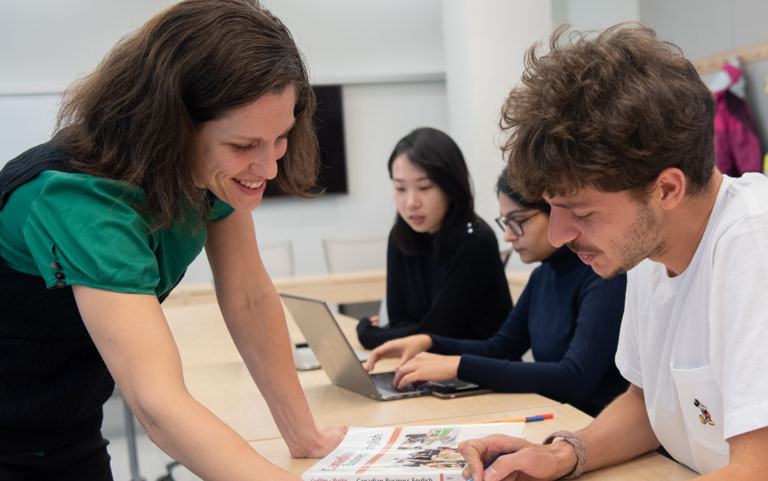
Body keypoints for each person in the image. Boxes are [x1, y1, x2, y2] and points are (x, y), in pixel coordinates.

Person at [0, 1, 344, 479]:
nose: (269, 168)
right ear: (170, 127)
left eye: (280, 137)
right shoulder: (80, 203)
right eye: (243, 146)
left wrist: (302, 435)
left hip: (66, 429)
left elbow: (248, 296)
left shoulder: (201, 174)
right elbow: (157, 404)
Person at [458, 23, 768, 481]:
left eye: (580, 212)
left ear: (666, 189)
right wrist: (563, 454)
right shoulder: (648, 244)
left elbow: (755, 468)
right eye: (552, 209)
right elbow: (646, 406)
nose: (560, 234)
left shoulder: (752, 246)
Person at [365, 171, 628, 416]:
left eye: (519, 221)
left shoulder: (603, 276)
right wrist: (429, 342)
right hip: (561, 418)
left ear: (558, 212)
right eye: (506, 223)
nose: (509, 236)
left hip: (597, 429)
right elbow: (501, 347)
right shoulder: (542, 276)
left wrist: (459, 366)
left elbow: (574, 378)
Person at [356, 127, 512, 350]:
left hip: (477, 373)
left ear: (451, 186)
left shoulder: (475, 241)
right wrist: (396, 332)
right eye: (400, 188)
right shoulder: (400, 236)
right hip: (424, 367)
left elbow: (435, 334)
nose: (411, 202)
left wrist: (368, 334)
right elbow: (399, 319)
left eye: (424, 187)